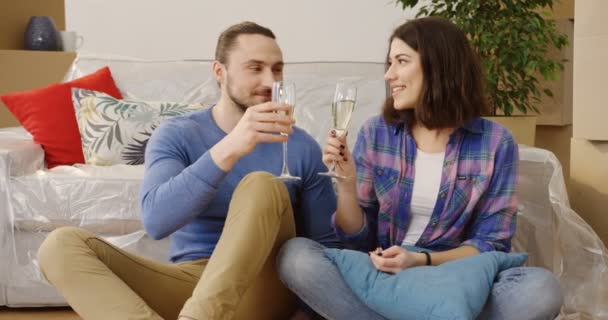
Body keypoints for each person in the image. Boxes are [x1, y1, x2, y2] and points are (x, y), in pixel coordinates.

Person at [37, 21, 340, 320]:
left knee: (261, 184)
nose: (269, 80)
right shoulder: (177, 134)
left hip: (265, 286)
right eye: (255, 67)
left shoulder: (300, 146)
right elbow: (156, 221)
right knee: (59, 245)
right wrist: (231, 146)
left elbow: (324, 247)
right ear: (219, 72)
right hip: (192, 284)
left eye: (277, 69)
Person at [277, 17, 564, 320]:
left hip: (453, 279)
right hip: (386, 276)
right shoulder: (377, 133)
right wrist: (347, 184)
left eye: (401, 61)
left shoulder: (495, 142)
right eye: (389, 63)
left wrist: (421, 260)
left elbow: (492, 243)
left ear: (440, 66)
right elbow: (358, 240)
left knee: (541, 288)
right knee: (295, 257)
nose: (389, 75)